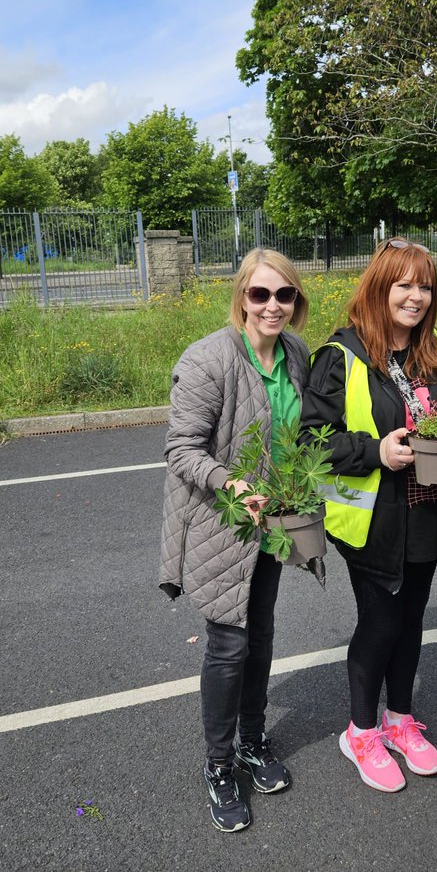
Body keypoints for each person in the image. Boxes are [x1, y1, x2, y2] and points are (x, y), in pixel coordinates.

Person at [301, 237, 437, 794]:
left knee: (413, 617)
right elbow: (310, 442)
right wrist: (378, 451)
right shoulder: (341, 355)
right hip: (373, 518)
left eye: (425, 285)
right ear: (379, 288)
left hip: (428, 509)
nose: (416, 296)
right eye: (404, 284)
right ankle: (362, 731)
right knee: (380, 623)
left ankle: (400, 719)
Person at [158, 247, 311, 834]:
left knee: (263, 633)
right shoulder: (207, 361)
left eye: (284, 295)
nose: (273, 305)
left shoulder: (296, 354)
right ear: (241, 297)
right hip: (223, 522)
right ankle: (218, 764)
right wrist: (232, 481)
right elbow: (181, 449)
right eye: (260, 294)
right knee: (228, 644)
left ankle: (252, 739)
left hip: (272, 523)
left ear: (296, 302)